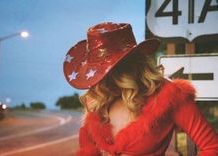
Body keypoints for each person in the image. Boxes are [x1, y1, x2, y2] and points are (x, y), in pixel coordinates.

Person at [63, 22, 218, 156]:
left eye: (106, 70)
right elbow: (88, 150)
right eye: (97, 71)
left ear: (128, 64)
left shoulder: (169, 95)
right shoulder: (98, 98)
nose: (100, 79)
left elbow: (212, 147)